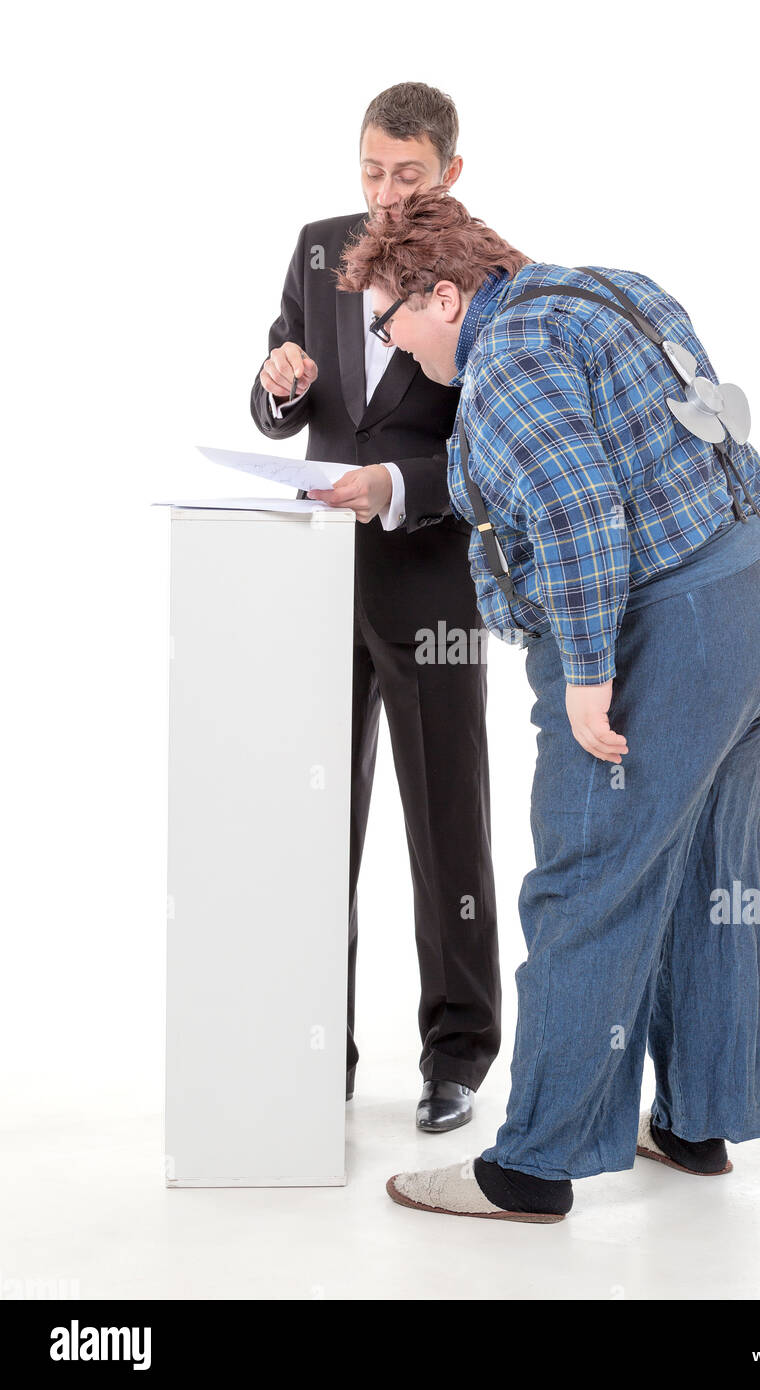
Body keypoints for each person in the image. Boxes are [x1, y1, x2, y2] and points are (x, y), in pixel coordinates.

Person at [338, 191, 760, 1222]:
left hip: (669, 632)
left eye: (391, 320)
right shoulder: (608, 288)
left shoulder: (503, 357)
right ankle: (695, 1121)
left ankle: (532, 1165)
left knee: (586, 885)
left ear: (445, 294)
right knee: (711, 877)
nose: (393, 343)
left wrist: (590, 673)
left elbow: (579, 510)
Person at [250, 88, 500, 1132]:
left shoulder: (486, 273)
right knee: (315, 826)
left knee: (446, 820)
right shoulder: (317, 251)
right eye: (370, 170)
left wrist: (397, 486)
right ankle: (320, 1053)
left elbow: (491, 445)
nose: (385, 193)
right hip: (320, 576)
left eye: (406, 173)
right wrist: (280, 380)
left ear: (449, 168)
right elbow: (276, 406)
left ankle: (456, 1055)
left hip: (431, 576)